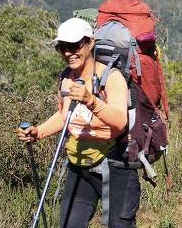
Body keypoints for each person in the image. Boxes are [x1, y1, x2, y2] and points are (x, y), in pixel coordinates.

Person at [17, 18, 139, 228]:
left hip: (115, 165)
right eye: (62, 47)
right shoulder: (66, 78)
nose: (67, 52)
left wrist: (91, 100)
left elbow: (119, 122)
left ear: (90, 43)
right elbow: (65, 116)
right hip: (79, 166)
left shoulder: (111, 77)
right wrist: (38, 132)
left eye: (74, 46)